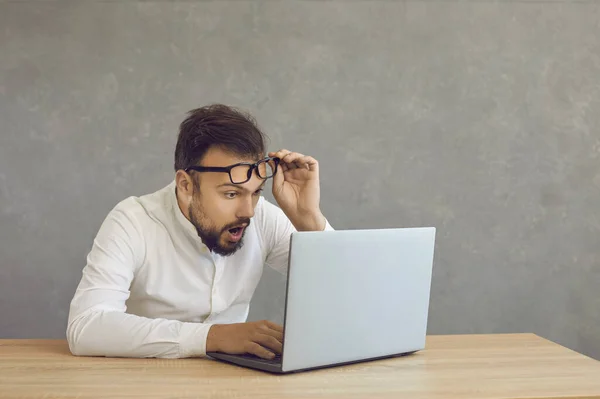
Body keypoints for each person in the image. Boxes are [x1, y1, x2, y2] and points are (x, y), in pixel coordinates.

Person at [66, 104, 334, 360]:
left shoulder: (262, 217)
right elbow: (86, 326)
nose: (248, 211)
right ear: (185, 185)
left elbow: (348, 291)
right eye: (231, 193)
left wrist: (308, 219)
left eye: (255, 193)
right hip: (145, 382)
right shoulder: (133, 222)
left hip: (233, 385)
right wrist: (212, 337)